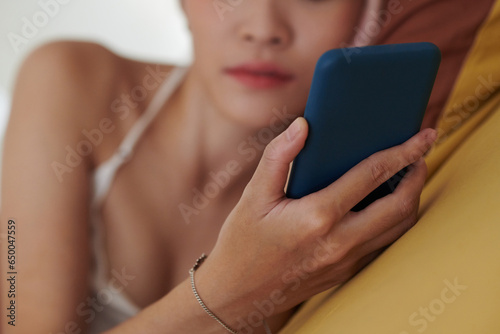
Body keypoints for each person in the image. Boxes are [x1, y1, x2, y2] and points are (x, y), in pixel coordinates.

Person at [0, 0, 438, 333]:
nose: (263, 30)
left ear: (366, 11)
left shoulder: (345, 204)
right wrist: (234, 292)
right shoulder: (72, 78)